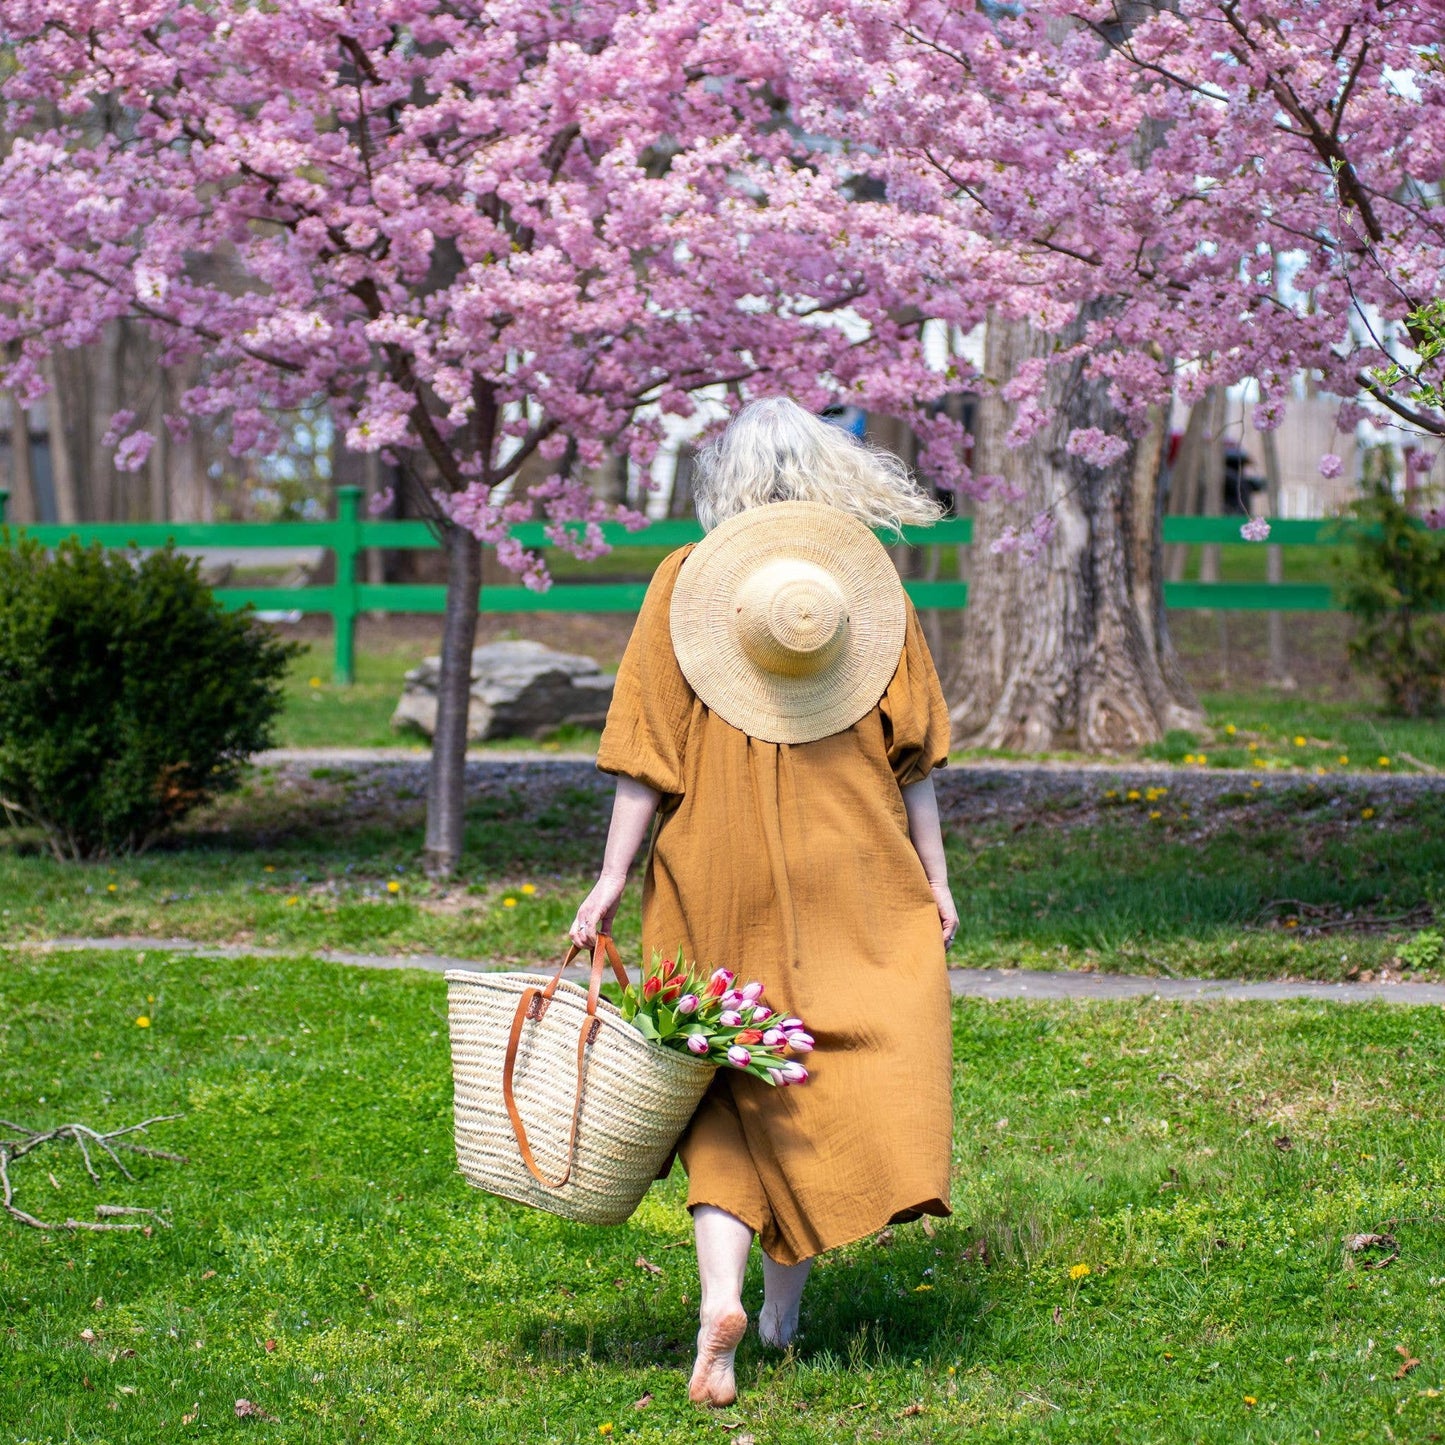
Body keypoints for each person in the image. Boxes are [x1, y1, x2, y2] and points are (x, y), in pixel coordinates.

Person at [569, 397, 957, 1408]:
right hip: (855, 862)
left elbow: (642, 754)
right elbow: (912, 754)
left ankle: (723, 1300)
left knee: (726, 1078)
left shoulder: (681, 582)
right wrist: (937, 875)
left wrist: (612, 876)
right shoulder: (863, 588)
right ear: (828, 476)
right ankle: (781, 1318)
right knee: (815, 1071)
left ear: (728, 479)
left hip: (714, 863)